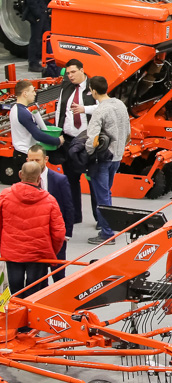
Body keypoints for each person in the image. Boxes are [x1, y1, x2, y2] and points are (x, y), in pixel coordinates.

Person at [0, 161, 66, 295]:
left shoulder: (5, 196)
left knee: (15, 291)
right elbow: (59, 233)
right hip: (38, 254)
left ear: (20, 174)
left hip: (12, 252)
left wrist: (4, 246)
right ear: (39, 177)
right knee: (34, 293)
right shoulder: (50, 200)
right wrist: (51, 252)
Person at [85, 75, 130, 245]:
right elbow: (128, 133)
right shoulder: (120, 105)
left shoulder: (100, 110)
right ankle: (107, 227)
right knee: (107, 193)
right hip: (116, 157)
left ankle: (107, 233)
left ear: (93, 91)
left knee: (102, 197)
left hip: (102, 159)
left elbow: (92, 139)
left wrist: (88, 154)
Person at [24, 145, 72, 282]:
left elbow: (68, 207)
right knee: (39, 276)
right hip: (35, 237)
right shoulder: (23, 180)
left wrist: (67, 234)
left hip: (56, 234)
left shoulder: (60, 180)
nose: (34, 164)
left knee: (58, 274)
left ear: (46, 159)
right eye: (31, 160)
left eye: (37, 160)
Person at [54, 59, 93, 224]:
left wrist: (85, 109)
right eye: (68, 73)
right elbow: (59, 110)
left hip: (88, 141)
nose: (70, 76)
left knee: (94, 181)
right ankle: (75, 216)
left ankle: (101, 220)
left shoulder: (93, 86)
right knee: (71, 180)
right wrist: (58, 132)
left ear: (82, 70)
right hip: (68, 140)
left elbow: (104, 108)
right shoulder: (66, 87)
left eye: (73, 72)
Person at [10, 80, 64, 161]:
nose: (35, 94)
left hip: (21, 153)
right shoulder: (23, 113)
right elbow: (37, 135)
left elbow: (36, 123)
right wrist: (57, 141)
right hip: (25, 154)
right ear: (25, 94)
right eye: (32, 91)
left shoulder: (16, 109)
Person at [21, 0, 50, 73]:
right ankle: (33, 63)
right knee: (36, 39)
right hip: (38, 16)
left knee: (46, 36)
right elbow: (32, 2)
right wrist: (38, 15)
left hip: (43, 14)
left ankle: (44, 59)